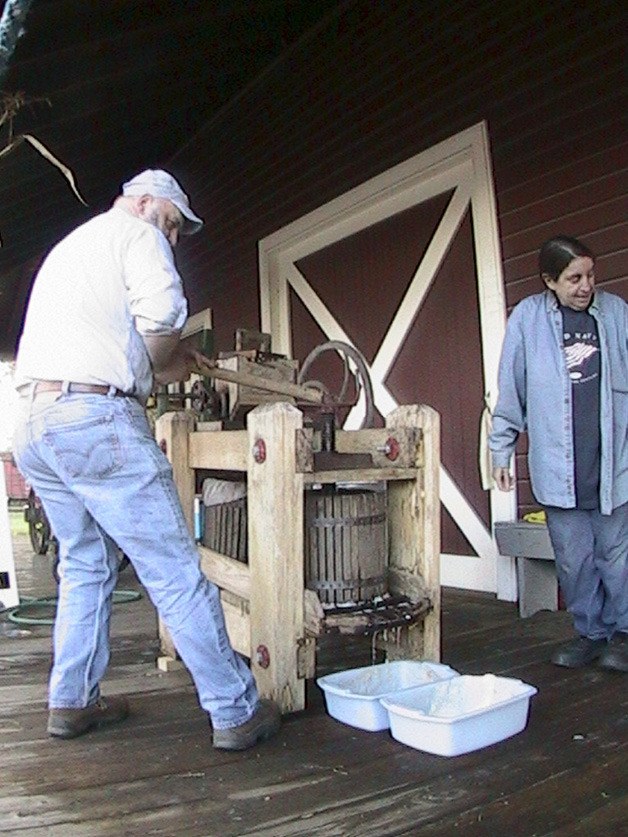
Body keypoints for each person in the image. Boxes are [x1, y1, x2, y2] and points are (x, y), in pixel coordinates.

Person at [12, 169, 282, 747]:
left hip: (36, 425)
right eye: (173, 222)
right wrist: (172, 350)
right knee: (175, 568)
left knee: (85, 564)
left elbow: (126, 344)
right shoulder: (138, 234)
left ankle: (72, 699)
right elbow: (160, 321)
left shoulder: (71, 248)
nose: (174, 238)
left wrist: (170, 359)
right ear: (141, 203)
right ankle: (235, 709)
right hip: (93, 418)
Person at [489, 235, 627, 673]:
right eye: (574, 279)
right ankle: (590, 634)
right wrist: (501, 450)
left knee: (617, 556)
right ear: (550, 280)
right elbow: (511, 389)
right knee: (574, 561)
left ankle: (623, 633)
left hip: (613, 466)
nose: (586, 286)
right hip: (557, 469)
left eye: (590, 275)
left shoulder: (617, 313)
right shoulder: (528, 320)